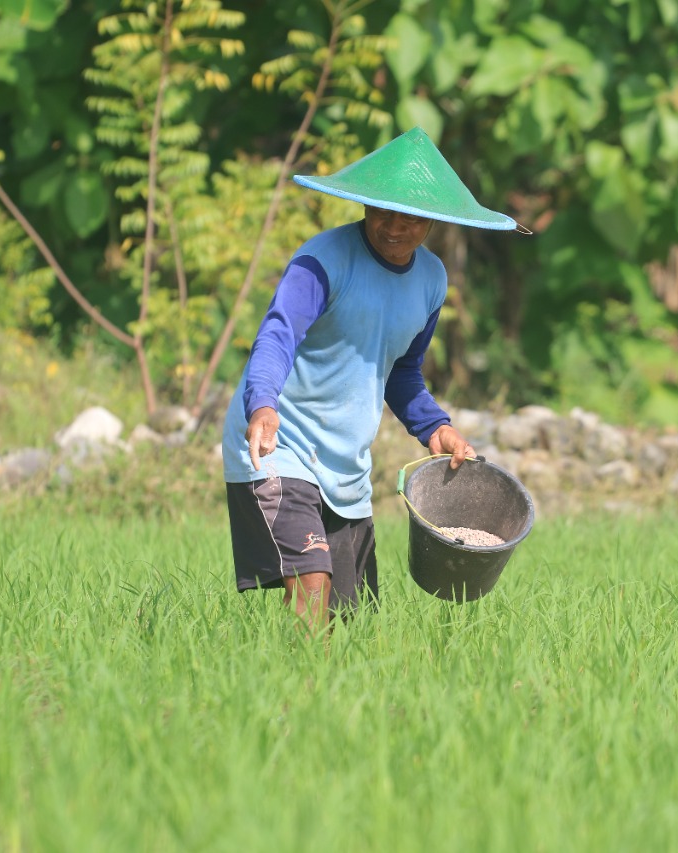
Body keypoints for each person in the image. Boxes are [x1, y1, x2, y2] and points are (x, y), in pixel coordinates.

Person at [220, 127, 518, 627]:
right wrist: (263, 405)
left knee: (353, 621)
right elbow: (277, 336)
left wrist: (434, 428)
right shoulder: (322, 261)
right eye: (382, 210)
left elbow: (401, 370)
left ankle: (330, 701)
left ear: (433, 222)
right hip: (280, 442)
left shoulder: (431, 280)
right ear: (363, 204)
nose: (394, 226)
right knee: (312, 581)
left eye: (410, 216)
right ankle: (298, 698)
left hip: (344, 461)